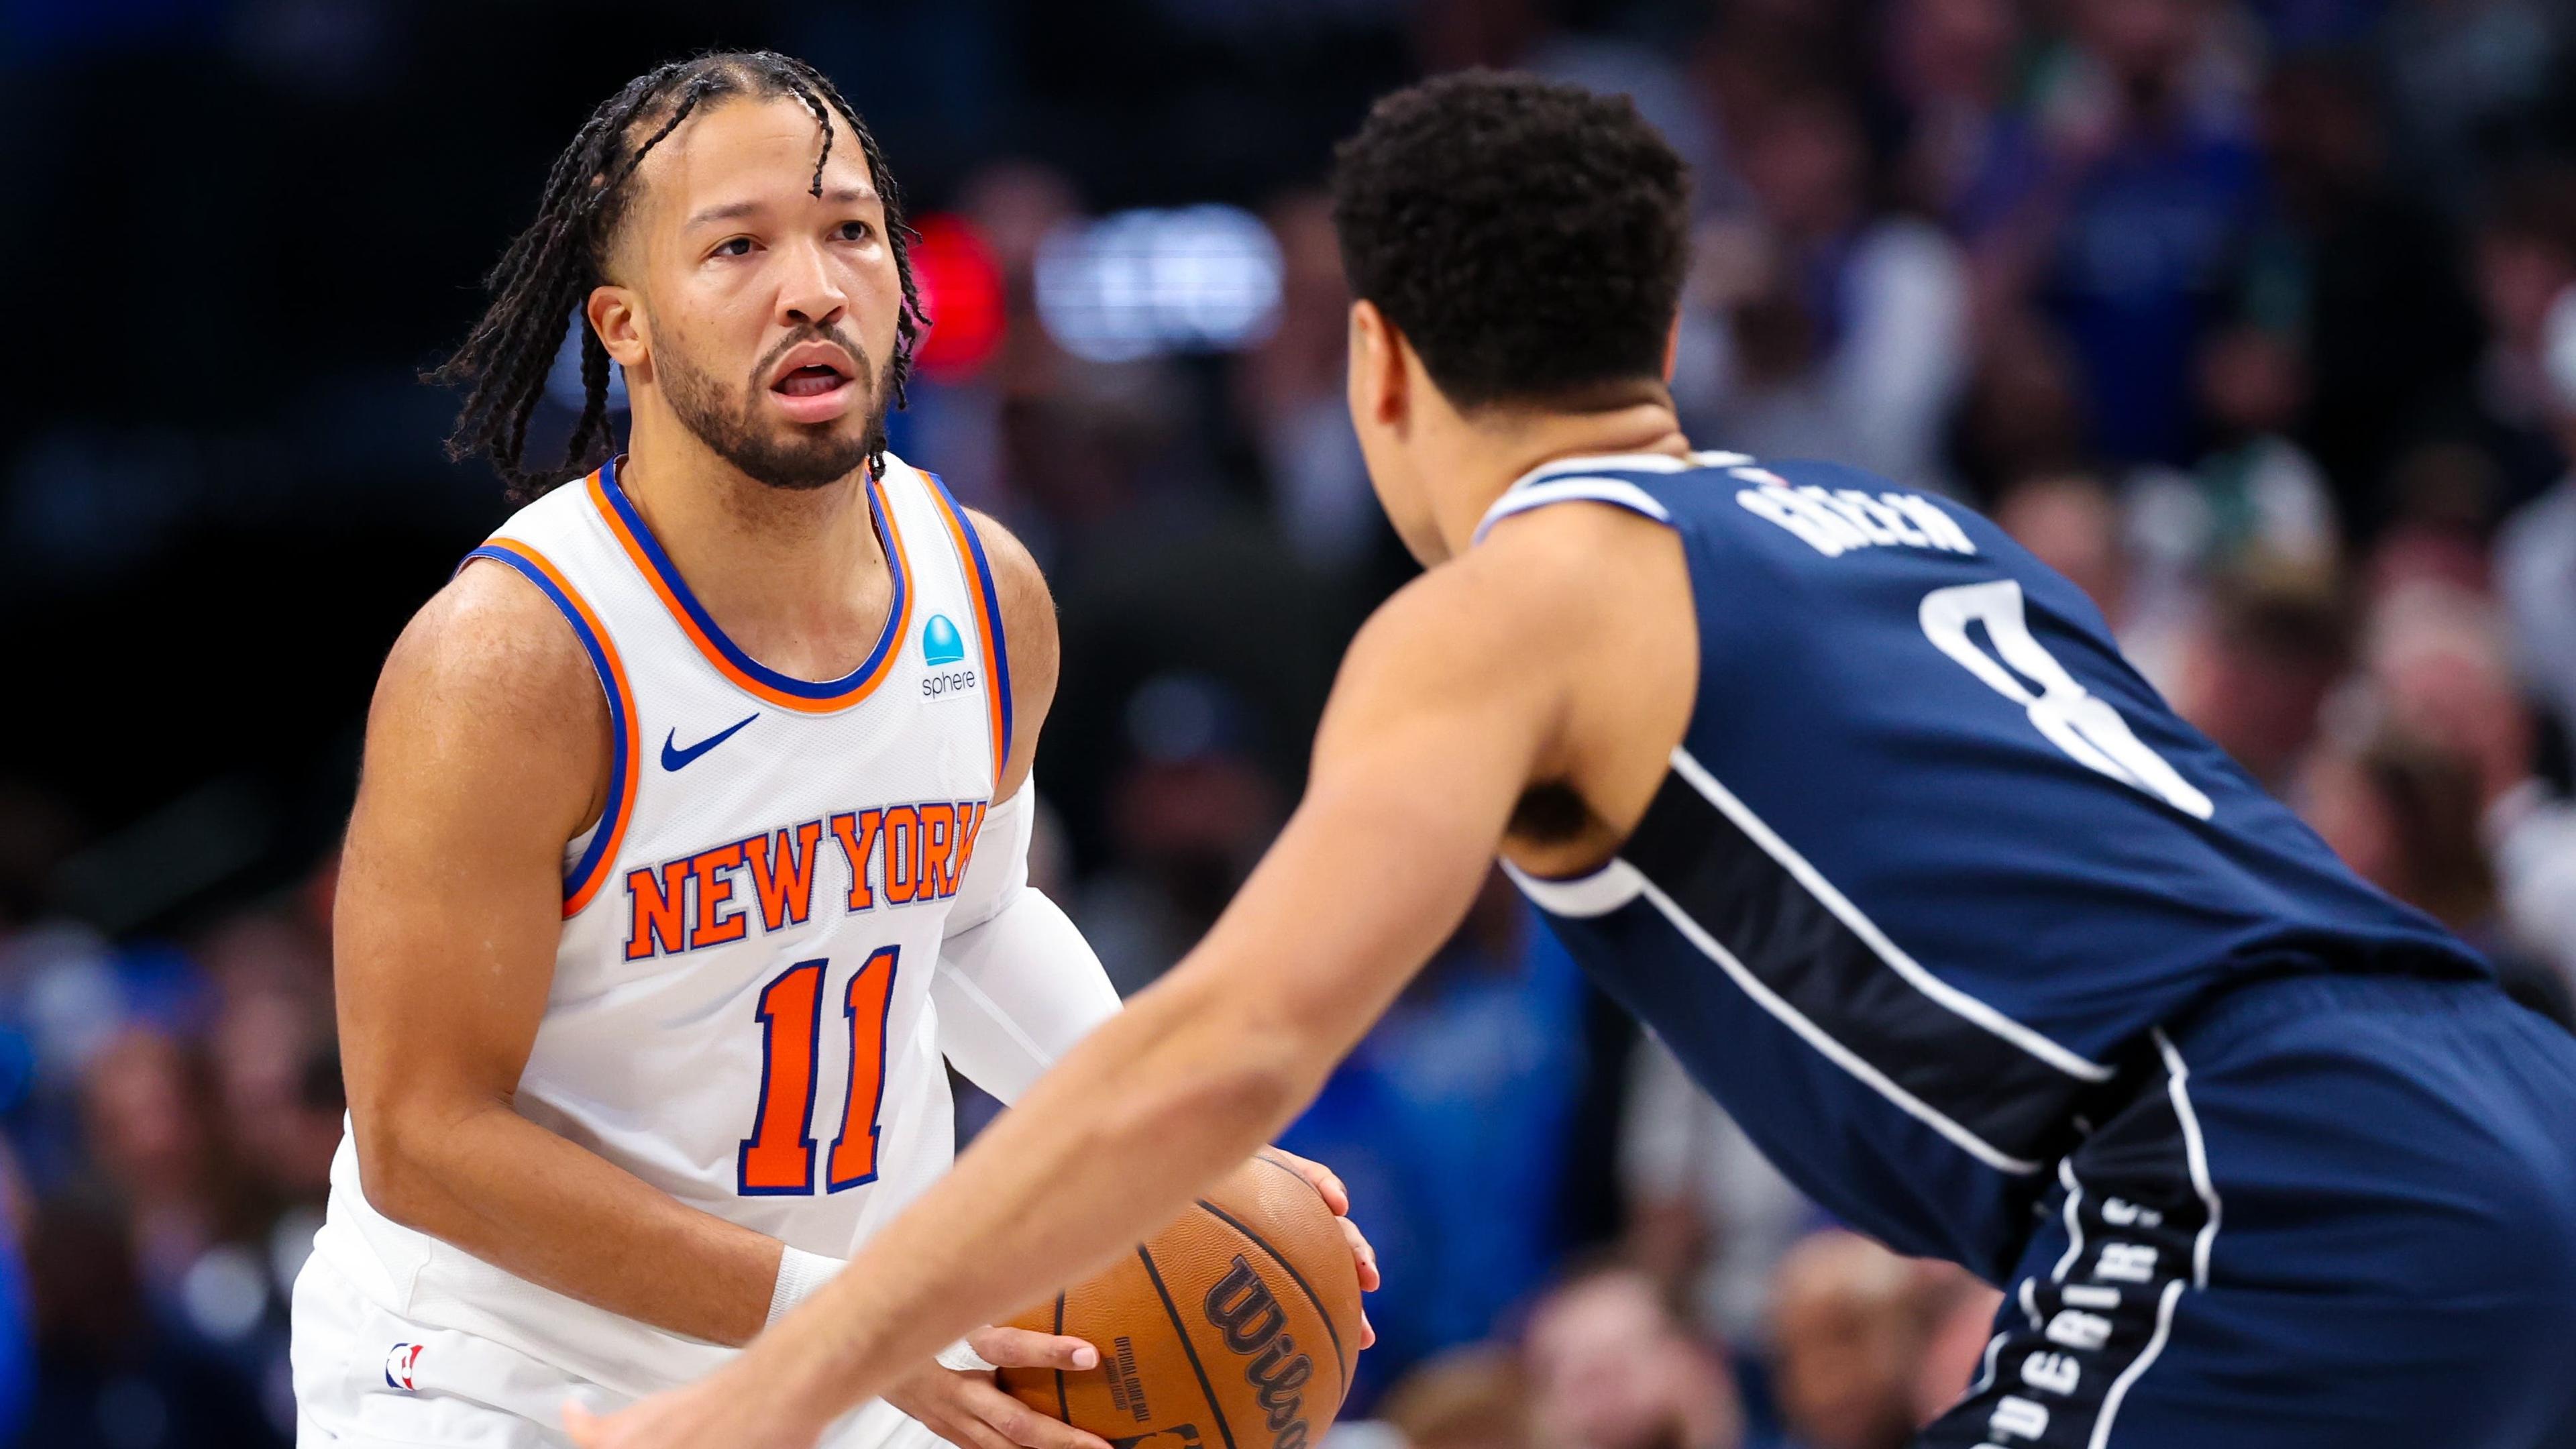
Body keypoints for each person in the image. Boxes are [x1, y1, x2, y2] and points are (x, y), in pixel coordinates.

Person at [574, 70, 2576, 1449]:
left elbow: (1229, 1051)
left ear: (1374, 364)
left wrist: (777, 1384)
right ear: (1666, 328)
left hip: (2264, 1180)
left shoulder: (1512, 601)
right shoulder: (1906, 525)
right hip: (2506, 1091)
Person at [289, 50, 1368, 1449]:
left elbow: (971, 923)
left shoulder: (984, 593)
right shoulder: (512, 660)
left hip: (840, 1351)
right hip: (497, 1374)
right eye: (736, 245)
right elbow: (425, 1139)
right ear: (622, 324)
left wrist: (1174, 1139)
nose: (812, 287)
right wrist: (846, 1323)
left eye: (850, 231)